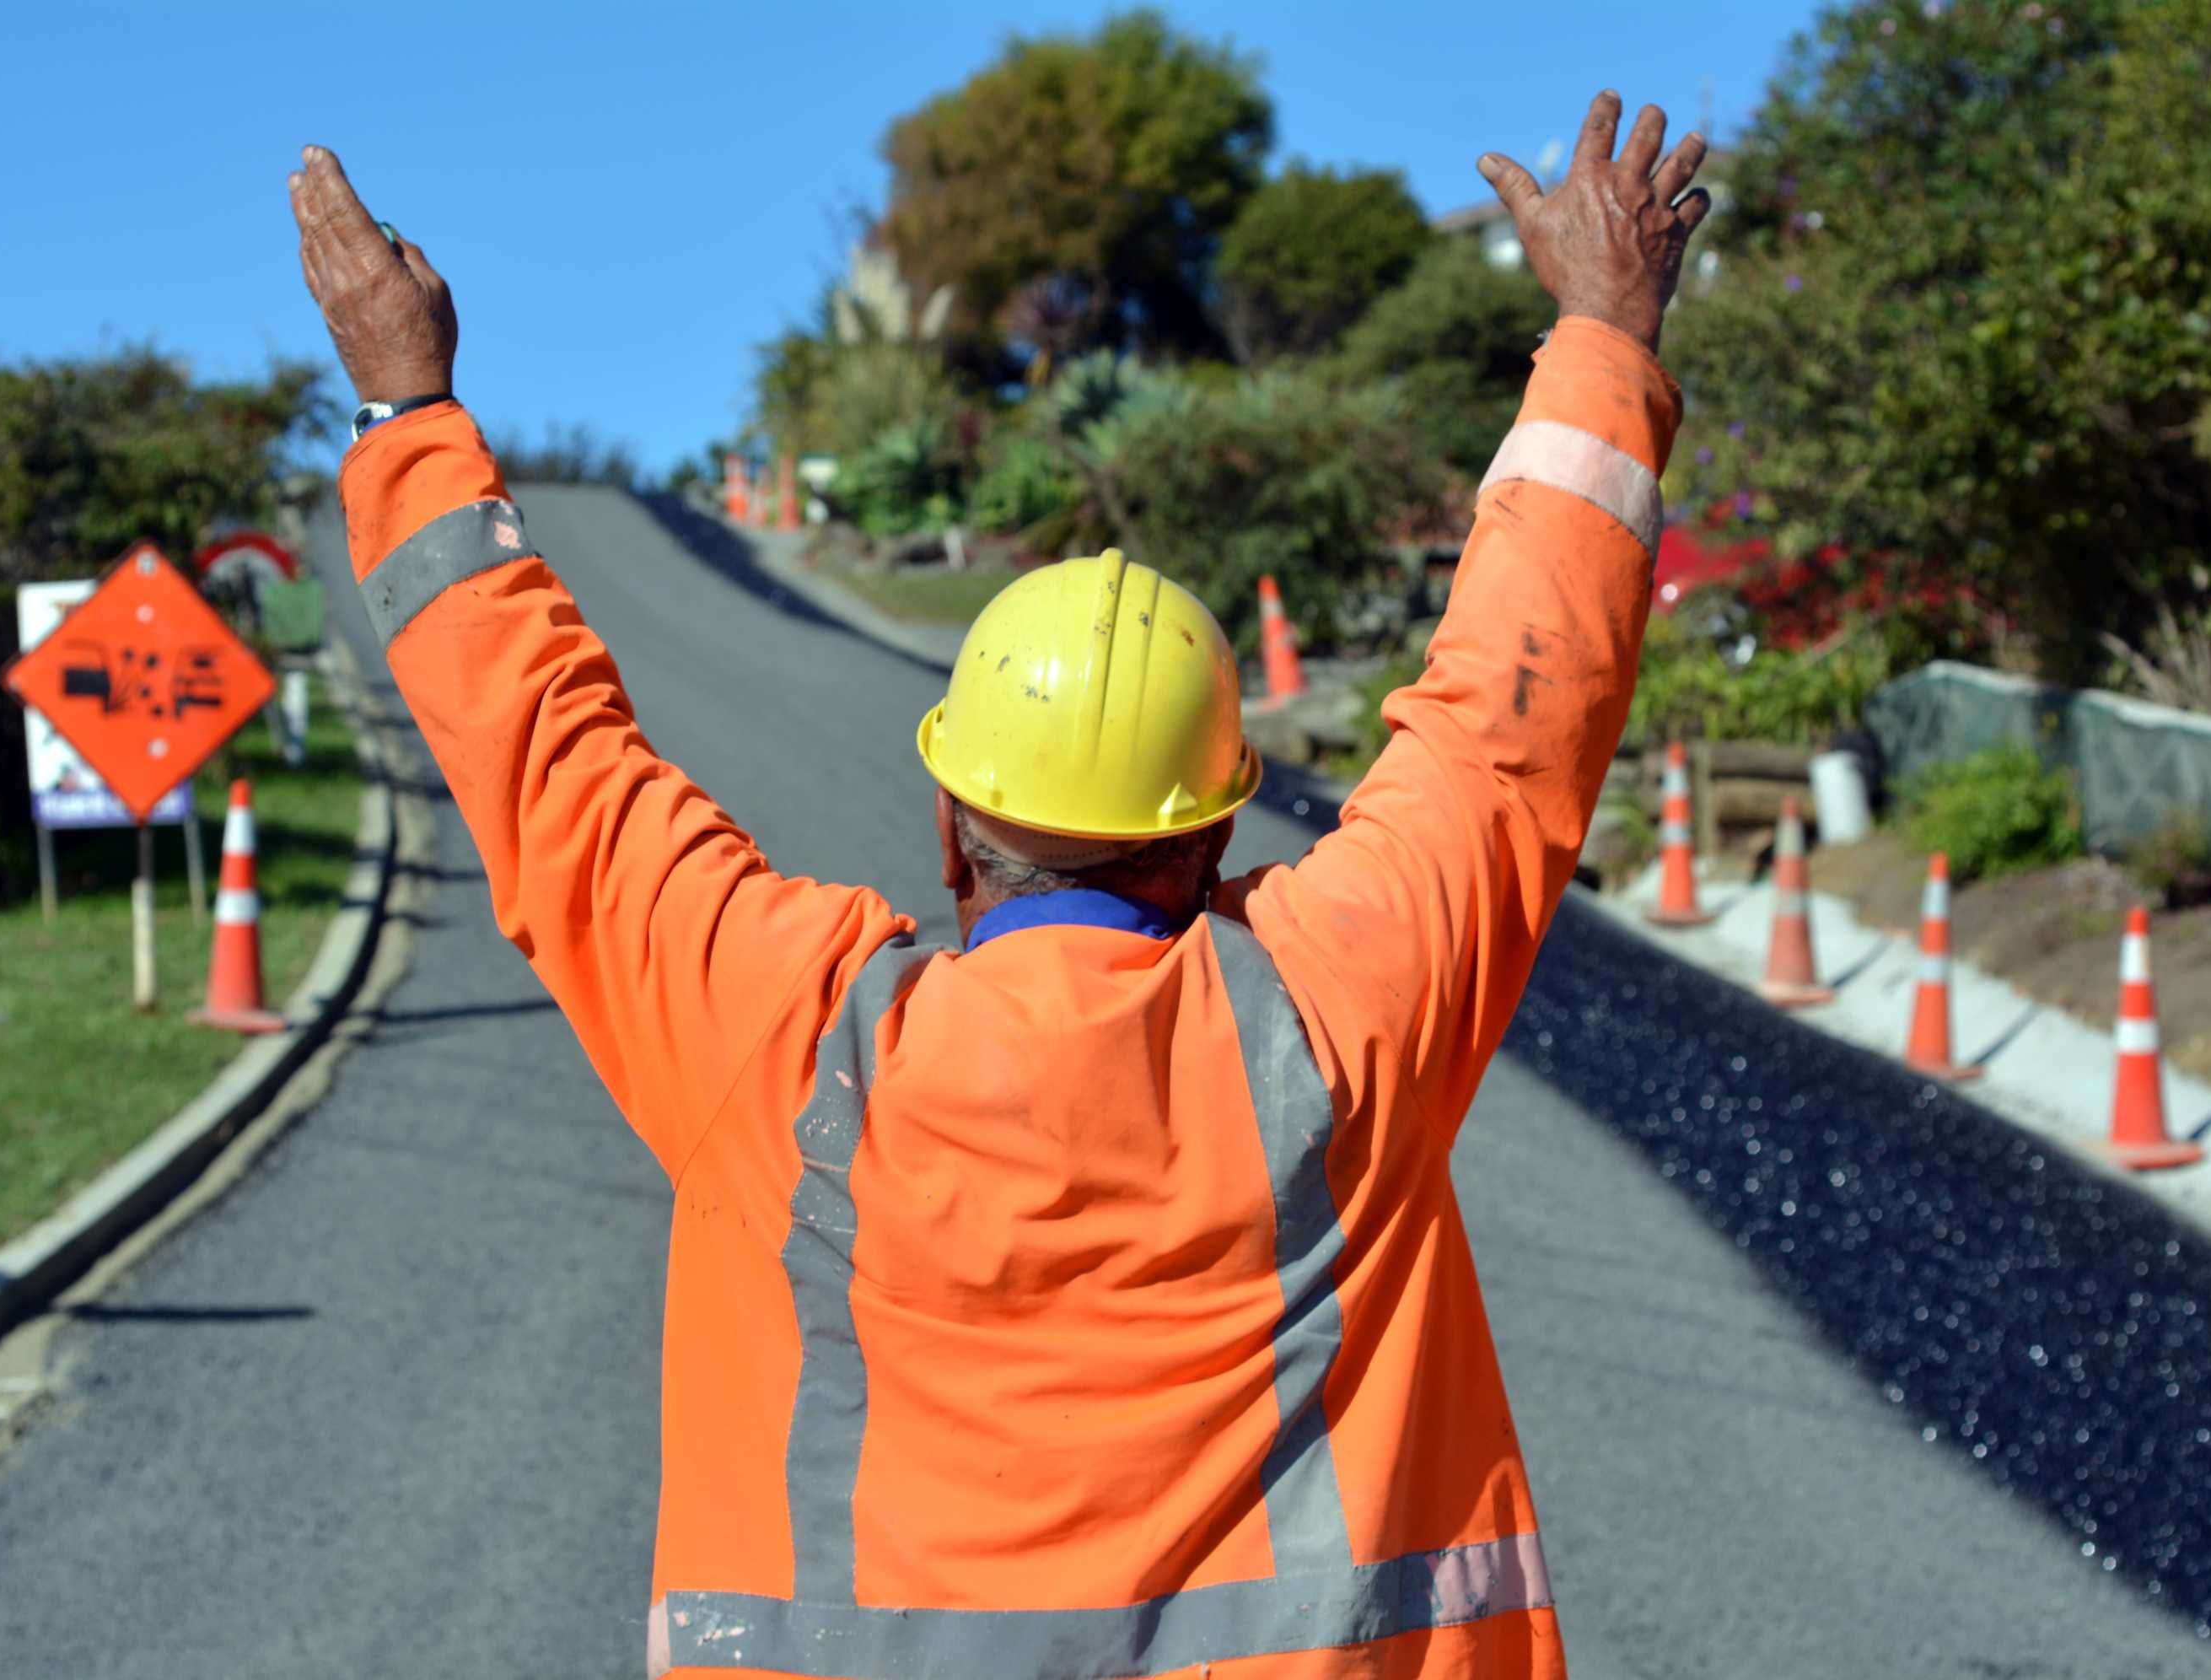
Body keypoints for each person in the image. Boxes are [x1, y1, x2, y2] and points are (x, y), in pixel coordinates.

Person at [289, 88, 1706, 1680]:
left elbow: (548, 762)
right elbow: (1516, 718)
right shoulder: (1345, 1009)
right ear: (1217, 836)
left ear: (955, 823)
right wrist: (1604, 323)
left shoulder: (784, 1038)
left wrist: (406, 411)